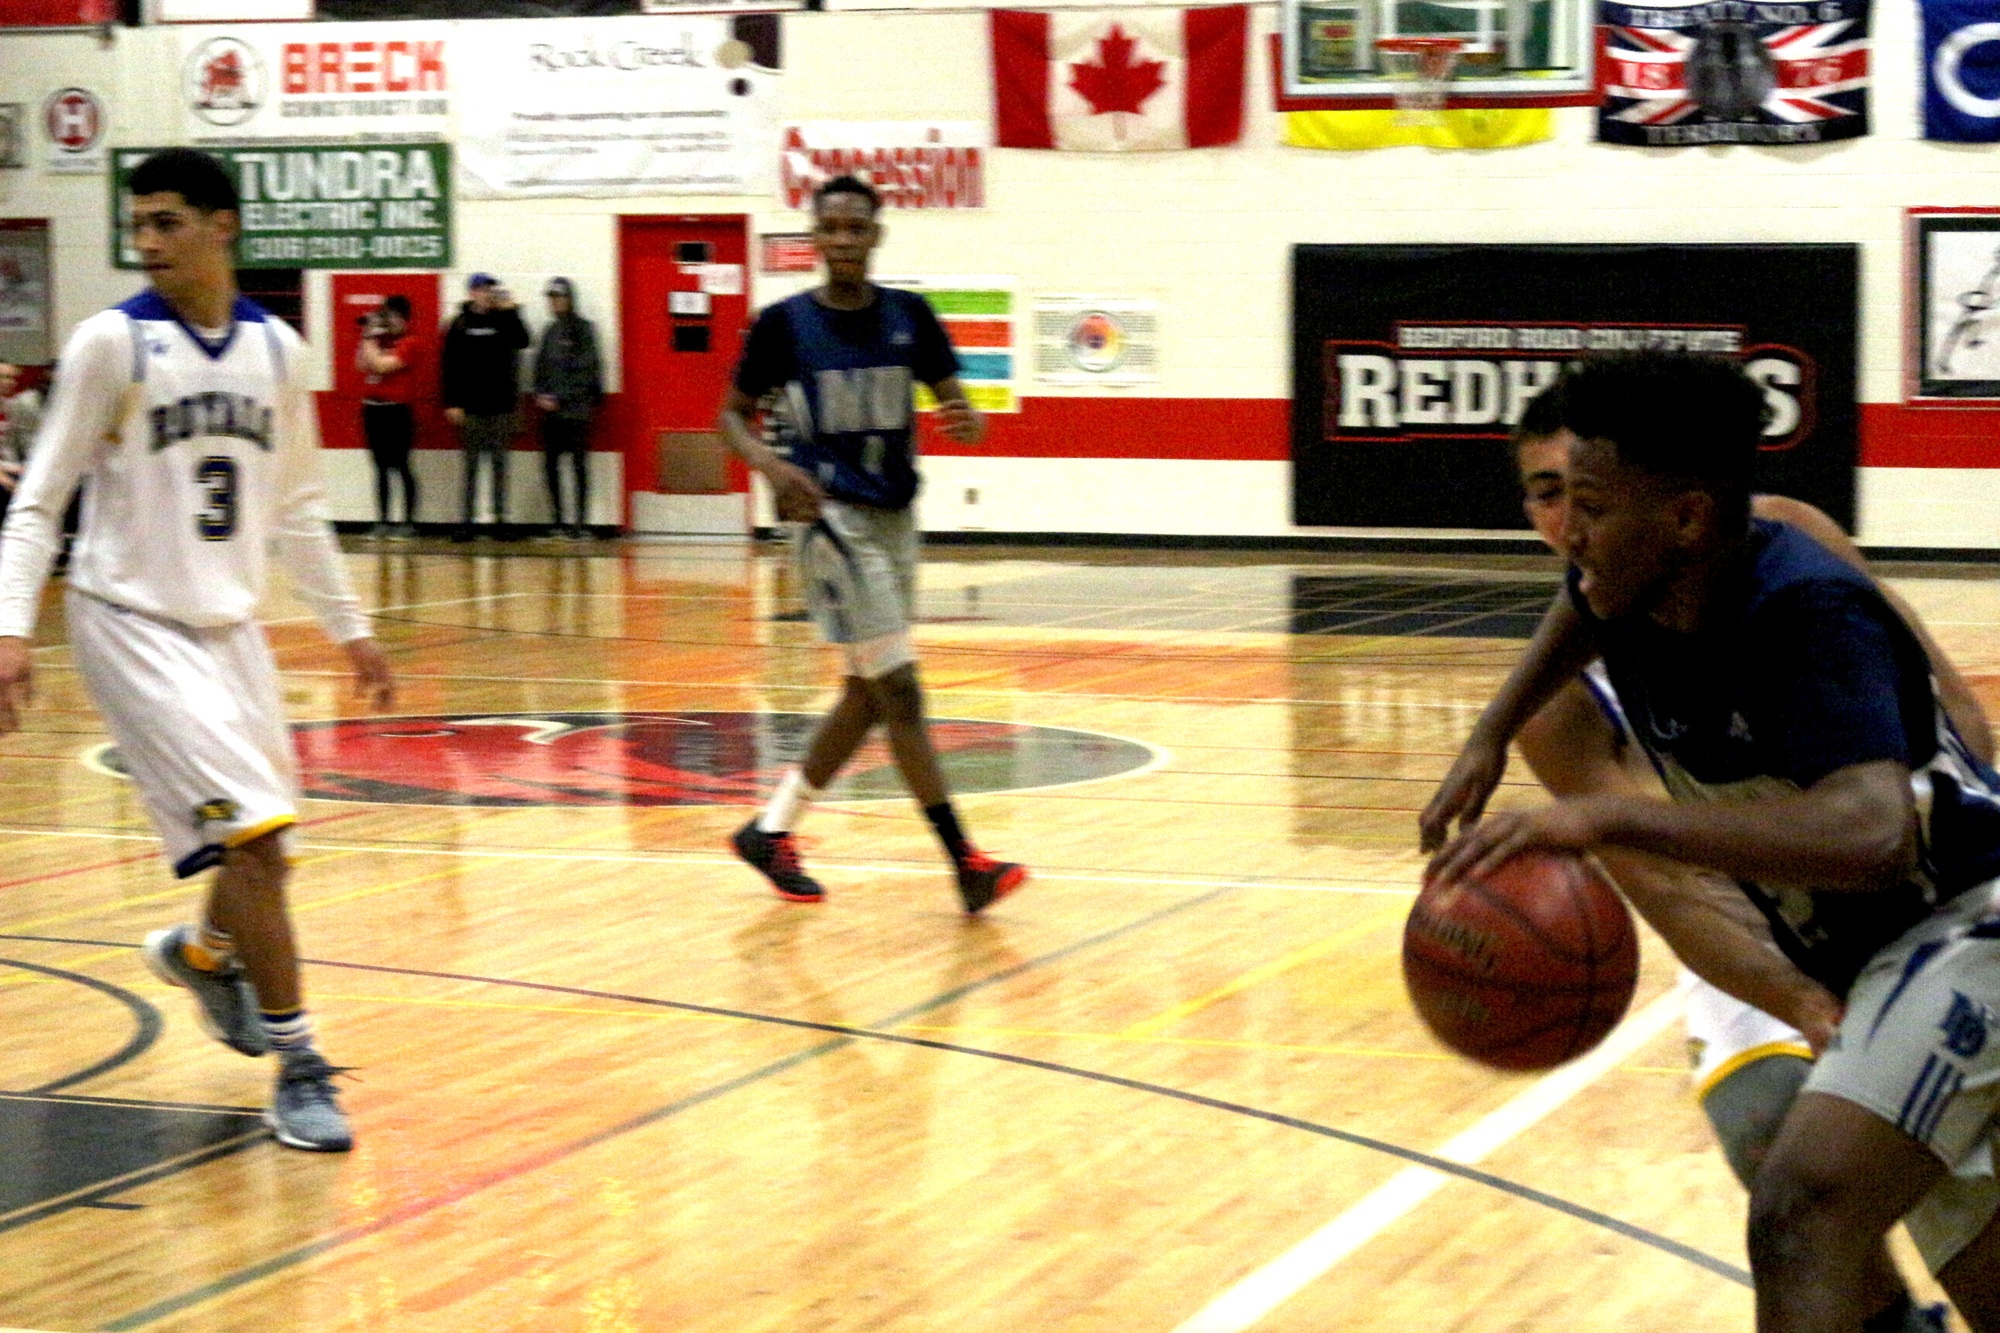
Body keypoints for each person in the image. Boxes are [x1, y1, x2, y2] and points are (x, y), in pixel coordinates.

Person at [1422, 352, 2000, 1333]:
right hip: (1866, 952)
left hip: (1966, 921)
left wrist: (1605, 817)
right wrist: (1489, 730)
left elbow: (1874, 834)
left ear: (1685, 518)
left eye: (1590, 505)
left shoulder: (1804, 609)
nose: (1569, 534)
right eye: (1552, 499)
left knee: (1799, 1211)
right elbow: (1575, 610)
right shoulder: (1625, 586)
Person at [0, 148, 396, 1152]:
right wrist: (10, 627)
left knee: (273, 848)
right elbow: (40, 498)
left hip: (230, 628)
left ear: (223, 227)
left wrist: (350, 627)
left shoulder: (278, 350)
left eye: (167, 222)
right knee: (254, 841)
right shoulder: (112, 344)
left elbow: (298, 507)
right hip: (129, 620)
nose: (147, 242)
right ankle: (299, 1064)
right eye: (138, 224)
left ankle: (209, 954)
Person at [716, 174, 1026, 914]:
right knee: (901, 690)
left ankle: (770, 832)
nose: (846, 240)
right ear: (816, 239)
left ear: (876, 236)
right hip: (829, 519)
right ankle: (965, 862)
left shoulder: (909, 316)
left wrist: (966, 416)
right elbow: (728, 416)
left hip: (894, 519)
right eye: (833, 228)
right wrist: (771, 466)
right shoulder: (783, 325)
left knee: (866, 691)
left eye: (858, 228)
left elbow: (955, 401)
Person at [440, 273, 528, 540]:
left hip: (501, 406)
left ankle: (500, 520)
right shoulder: (459, 323)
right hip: (471, 408)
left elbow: (523, 341)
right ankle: (467, 521)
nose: (486, 294)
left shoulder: (504, 319)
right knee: (470, 467)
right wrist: (452, 403)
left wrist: (510, 311)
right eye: (481, 289)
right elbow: (449, 366)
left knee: (500, 466)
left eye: (490, 289)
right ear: (471, 293)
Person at [531, 276, 602, 540]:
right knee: (550, 466)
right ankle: (558, 521)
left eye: (559, 298)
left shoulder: (584, 330)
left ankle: (580, 524)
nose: (554, 303)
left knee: (578, 466)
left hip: (577, 412)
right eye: (551, 298)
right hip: (551, 414)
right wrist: (540, 394)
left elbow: (587, 372)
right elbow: (539, 368)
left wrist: (560, 398)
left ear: (569, 299)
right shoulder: (549, 331)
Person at [356, 294, 418, 539]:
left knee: (401, 465)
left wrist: (369, 339)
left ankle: (408, 522)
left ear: (403, 318)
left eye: (391, 315)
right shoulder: (378, 341)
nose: (387, 320)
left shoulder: (410, 343)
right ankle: (382, 521)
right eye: (385, 315)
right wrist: (369, 335)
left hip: (397, 411)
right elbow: (362, 364)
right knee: (380, 467)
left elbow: (383, 366)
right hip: (373, 409)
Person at [0, 363, 42, 527]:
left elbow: (10, 450)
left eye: (12, 378)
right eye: (3, 377)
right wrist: (6, 479)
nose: (9, 382)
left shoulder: (12, 407)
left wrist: (20, 468)